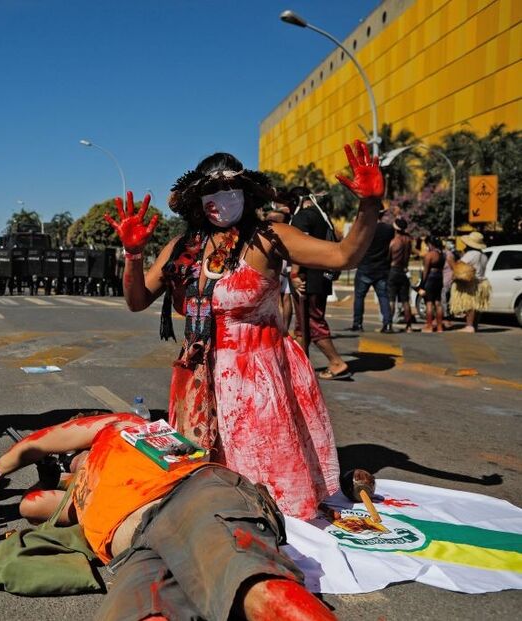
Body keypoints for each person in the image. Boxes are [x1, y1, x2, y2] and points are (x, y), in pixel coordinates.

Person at [105, 140, 384, 519]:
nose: (221, 198)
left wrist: (368, 206)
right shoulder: (182, 247)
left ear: (247, 194)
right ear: (196, 200)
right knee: (205, 491)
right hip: (199, 381)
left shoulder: (269, 237)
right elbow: (137, 299)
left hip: (259, 380)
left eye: (230, 189)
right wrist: (133, 255)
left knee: (264, 493)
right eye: (210, 191)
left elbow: (342, 255)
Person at [0, 414, 337, 621]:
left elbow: (38, 442)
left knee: (248, 582)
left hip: (185, 495)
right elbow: (33, 505)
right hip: (135, 550)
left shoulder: (119, 429)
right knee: (141, 615)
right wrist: (67, 481)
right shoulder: (81, 496)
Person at [285, 188, 350, 378]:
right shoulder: (324, 218)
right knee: (302, 324)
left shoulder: (302, 217)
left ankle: (336, 362)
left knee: (313, 322)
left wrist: (295, 274)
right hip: (323, 276)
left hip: (308, 277)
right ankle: (299, 366)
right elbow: (338, 243)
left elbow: (298, 247)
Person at [347, 218, 395, 333]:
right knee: (383, 297)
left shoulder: (365, 228)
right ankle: (387, 324)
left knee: (359, 297)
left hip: (365, 267)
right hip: (381, 268)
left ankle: (357, 323)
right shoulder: (388, 229)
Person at [451, 231, 491, 333]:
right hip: (482, 282)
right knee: (476, 305)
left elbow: (460, 265)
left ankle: (469, 326)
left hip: (472, 282)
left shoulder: (471, 254)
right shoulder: (484, 255)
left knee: (470, 304)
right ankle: (475, 325)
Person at [265, 204, 294, 332]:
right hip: (285, 264)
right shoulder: (289, 228)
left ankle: (281, 330)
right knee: (286, 298)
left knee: (280, 299)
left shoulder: (269, 228)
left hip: (278, 264)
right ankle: (284, 329)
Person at [388, 218, 415, 331]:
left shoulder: (394, 241)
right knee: (405, 301)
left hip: (393, 270)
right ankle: (409, 326)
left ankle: (389, 325)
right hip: (404, 270)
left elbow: (389, 257)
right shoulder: (409, 240)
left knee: (391, 300)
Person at [418, 236, 446, 332]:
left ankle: (429, 326)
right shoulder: (442, 254)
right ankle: (439, 326)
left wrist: (422, 284)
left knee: (429, 302)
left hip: (431, 278)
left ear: (430, 244)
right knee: (438, 302)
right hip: (439, 277)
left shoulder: (429, 255)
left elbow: (425, 271)